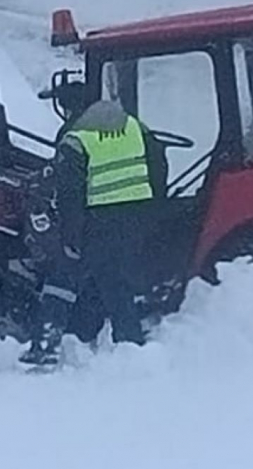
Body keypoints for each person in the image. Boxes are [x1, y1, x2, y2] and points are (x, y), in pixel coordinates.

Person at [20, 91, 167, 366]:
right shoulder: (135, 126)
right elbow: (159, 164)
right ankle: (130, 342)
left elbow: (70, 195)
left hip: (99, 219)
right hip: (136, 216)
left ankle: (46, 345)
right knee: (115, 280)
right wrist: (154, 207)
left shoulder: (75, 138)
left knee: (63, 276)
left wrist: (70, 239)